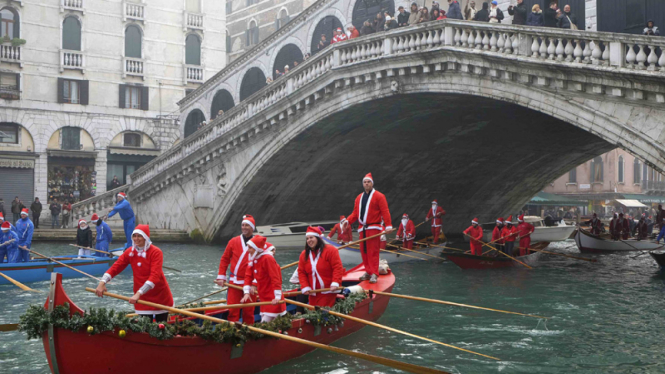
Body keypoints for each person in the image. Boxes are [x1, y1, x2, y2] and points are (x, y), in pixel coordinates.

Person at [96, 225, 174, 322]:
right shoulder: (130, 252)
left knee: (161, 328)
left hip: (160, 297)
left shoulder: (156, 252)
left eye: (139, 236)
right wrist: (102, 282)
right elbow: (116, 267)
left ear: (145, 237)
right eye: (134, 236)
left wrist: (138, 293)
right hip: (142, 299)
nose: (136, 239)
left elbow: (155, 276)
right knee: (144, 329)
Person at [345, 173, 392, 284]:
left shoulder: (379, 196)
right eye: (365, 182)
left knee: (373, 251)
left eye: (368, 182)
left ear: (372, 183)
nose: (366, 184)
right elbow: (355, 213)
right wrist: (348, 221)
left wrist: (388, 225)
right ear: (363, 184)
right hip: (363, 229)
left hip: (373, 228)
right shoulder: (359, 198)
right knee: (364, 251)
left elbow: (385, 211)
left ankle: (374, 273)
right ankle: (368, 271)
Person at [216, 215, 260, 324]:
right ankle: (232, 331)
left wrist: (255, 284)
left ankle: (248, 331)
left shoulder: (258, 242)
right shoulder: (233, 241)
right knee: (232, 310)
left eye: (247, 225)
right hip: (234, 282)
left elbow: (261, 265)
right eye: (243, 225)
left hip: (250, 284)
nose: (244, 227)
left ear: (252, 228)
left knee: (249, 311)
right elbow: (225, 259)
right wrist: (221, 276)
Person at [241, 235, 286, 323]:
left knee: (265, 323)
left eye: (250, 248)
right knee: (267, 322)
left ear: (256, 249)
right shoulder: (255, 259)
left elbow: (275, 278)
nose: (248, 250)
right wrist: (246, 292)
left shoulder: (267, 259)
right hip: (264, 297)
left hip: (272, 297)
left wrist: (277, 296)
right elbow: (249, 276)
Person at [297, 226, 344, 307]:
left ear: (318, 238)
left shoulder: (331, 250)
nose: (309, 240)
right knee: (312, 313)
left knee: (321, 313)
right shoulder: (303, 254)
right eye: (307, 239)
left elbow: (337, 267)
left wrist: (335, 283)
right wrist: (305, 286)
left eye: (311, 237)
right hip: (313, 292)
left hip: (328, 290)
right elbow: (301, 272)